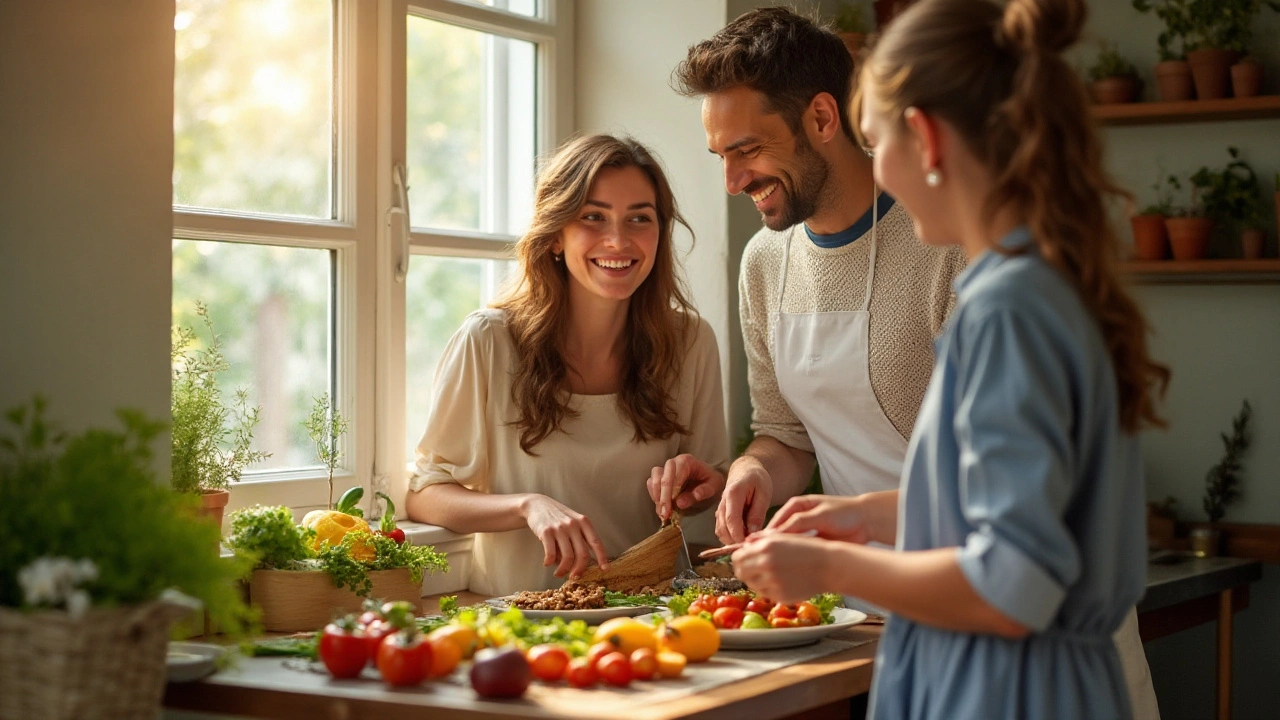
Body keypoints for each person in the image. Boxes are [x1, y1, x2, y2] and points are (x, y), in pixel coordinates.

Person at [651, 6, 1161, 718]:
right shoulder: (1022, 287)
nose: (877, 162)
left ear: (921, 138)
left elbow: (1016, 576)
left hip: (1015, 684)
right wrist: (856, 517)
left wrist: (829, 562)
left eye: (878, 137)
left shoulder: (1007, 309)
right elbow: (984, 502)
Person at [406, 134, 729, 597]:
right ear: (556, 234)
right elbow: (422, 493)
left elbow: (711, 489)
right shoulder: (488, 341)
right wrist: (527, 507)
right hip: (524, 619)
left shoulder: (691, 341)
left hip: (656, 618)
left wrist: (701, 484)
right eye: (593, 217)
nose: (618, 240)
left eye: (640, 218)